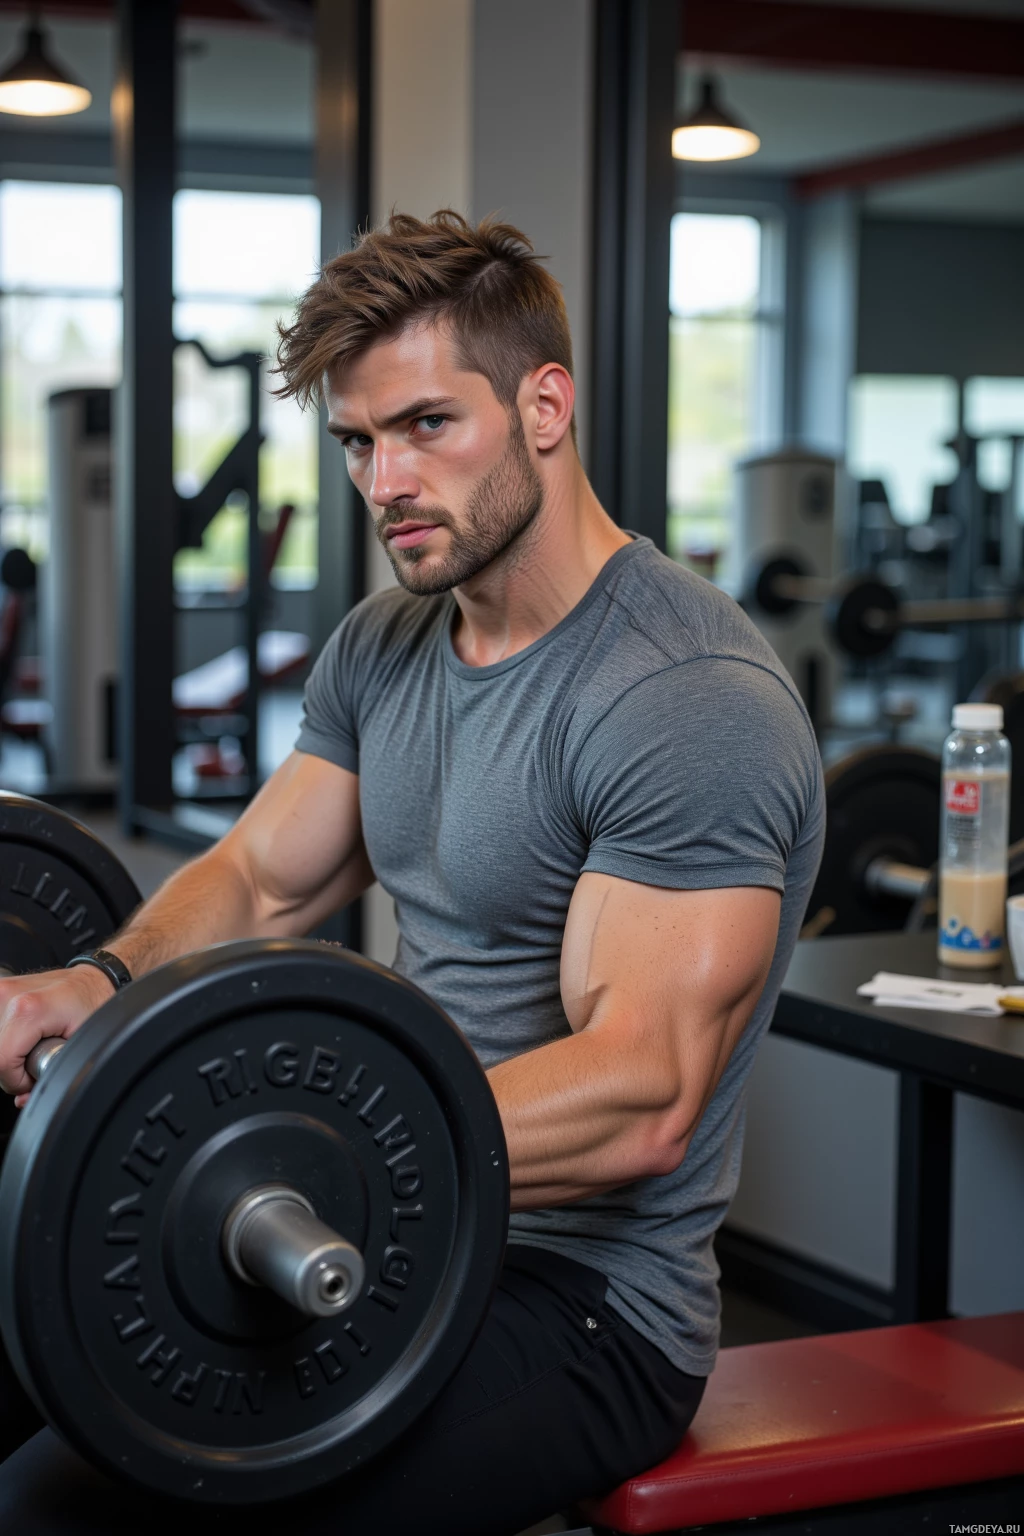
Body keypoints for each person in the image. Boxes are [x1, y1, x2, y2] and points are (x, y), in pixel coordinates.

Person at [0, 211, 824, 1535]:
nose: (385, 479)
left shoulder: (684, 699)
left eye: (428, 425)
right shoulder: (388, 644)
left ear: (544, 406)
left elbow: (642, 1101)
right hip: (396, 1224)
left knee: (108, 1503)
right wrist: (90, 986)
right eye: (356, 441)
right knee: (32, 1386)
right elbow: (263, 878)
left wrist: (310, 1151)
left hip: (588, 1310)